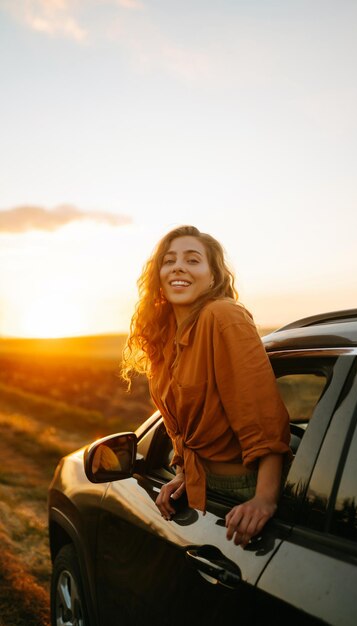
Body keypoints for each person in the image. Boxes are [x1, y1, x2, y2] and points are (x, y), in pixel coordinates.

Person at [121, 225, 291, 547]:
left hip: (243, 487)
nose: (178, 266)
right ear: (158, 276)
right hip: (202, 486)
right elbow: (182, 423)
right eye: (168, 260)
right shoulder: (165, 338)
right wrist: (184, 472)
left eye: (193, 260)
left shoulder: (222, 315)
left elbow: (262, 414)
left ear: (213, 277)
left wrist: (264, 499)